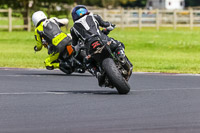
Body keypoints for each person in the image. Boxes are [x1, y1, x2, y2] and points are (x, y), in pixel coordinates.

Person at [70, 5, 126, 85]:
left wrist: (75, 51)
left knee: (87, 61)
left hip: (91, 48)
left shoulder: (73, 29)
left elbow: (74, 44)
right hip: (104, 41)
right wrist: (110, 25)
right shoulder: (94, 16)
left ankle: (97, 73)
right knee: (118, 44)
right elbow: (105, 24)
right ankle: (121, 56)